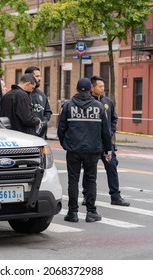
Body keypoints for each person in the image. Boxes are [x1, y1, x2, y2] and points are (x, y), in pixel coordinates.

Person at [58, 78, 112, 223]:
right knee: (90, 180)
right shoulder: (99, 106)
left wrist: (65, 144)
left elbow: (61, 128)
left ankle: (72, 213)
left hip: (73, 149)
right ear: (90, 89)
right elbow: (105, 131)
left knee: (73, 180)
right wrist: (108, 149)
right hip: (92, 149)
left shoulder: (68, 106)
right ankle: (91, 212)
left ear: (76, 89)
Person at [82, 76, 130, 207]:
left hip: (107, 143)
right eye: (100, 86)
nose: (103, 89)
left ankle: (115, 196)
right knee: (89, 170)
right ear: (92, 88)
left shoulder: (108, 102)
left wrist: (111, 130)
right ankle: (87, 195)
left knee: (112, 167)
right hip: (92, 143)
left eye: (103, 86)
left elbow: (114, 118)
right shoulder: (87, 102)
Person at [24, 66, 52, 138]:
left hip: (40, 135)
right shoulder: (22, 94)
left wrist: (44, 121)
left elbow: (48, 111)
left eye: (40, 76)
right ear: (29, 77)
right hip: (26, 135)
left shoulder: (42, 95)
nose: (40, 79)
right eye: (37, 76)